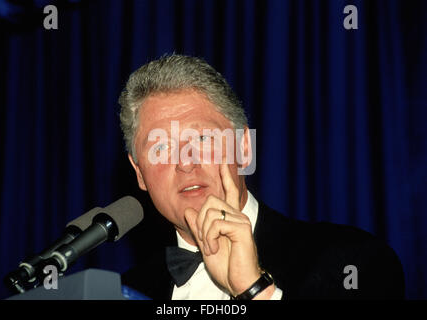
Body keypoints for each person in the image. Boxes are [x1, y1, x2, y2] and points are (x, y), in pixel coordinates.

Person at [118, 54, 405, 300]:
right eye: (161, 147)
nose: (185, 162)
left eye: (202, 138)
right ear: (140, 173)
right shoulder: (124, 290)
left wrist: (256, 290)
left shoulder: (352, 262)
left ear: (244, 148)